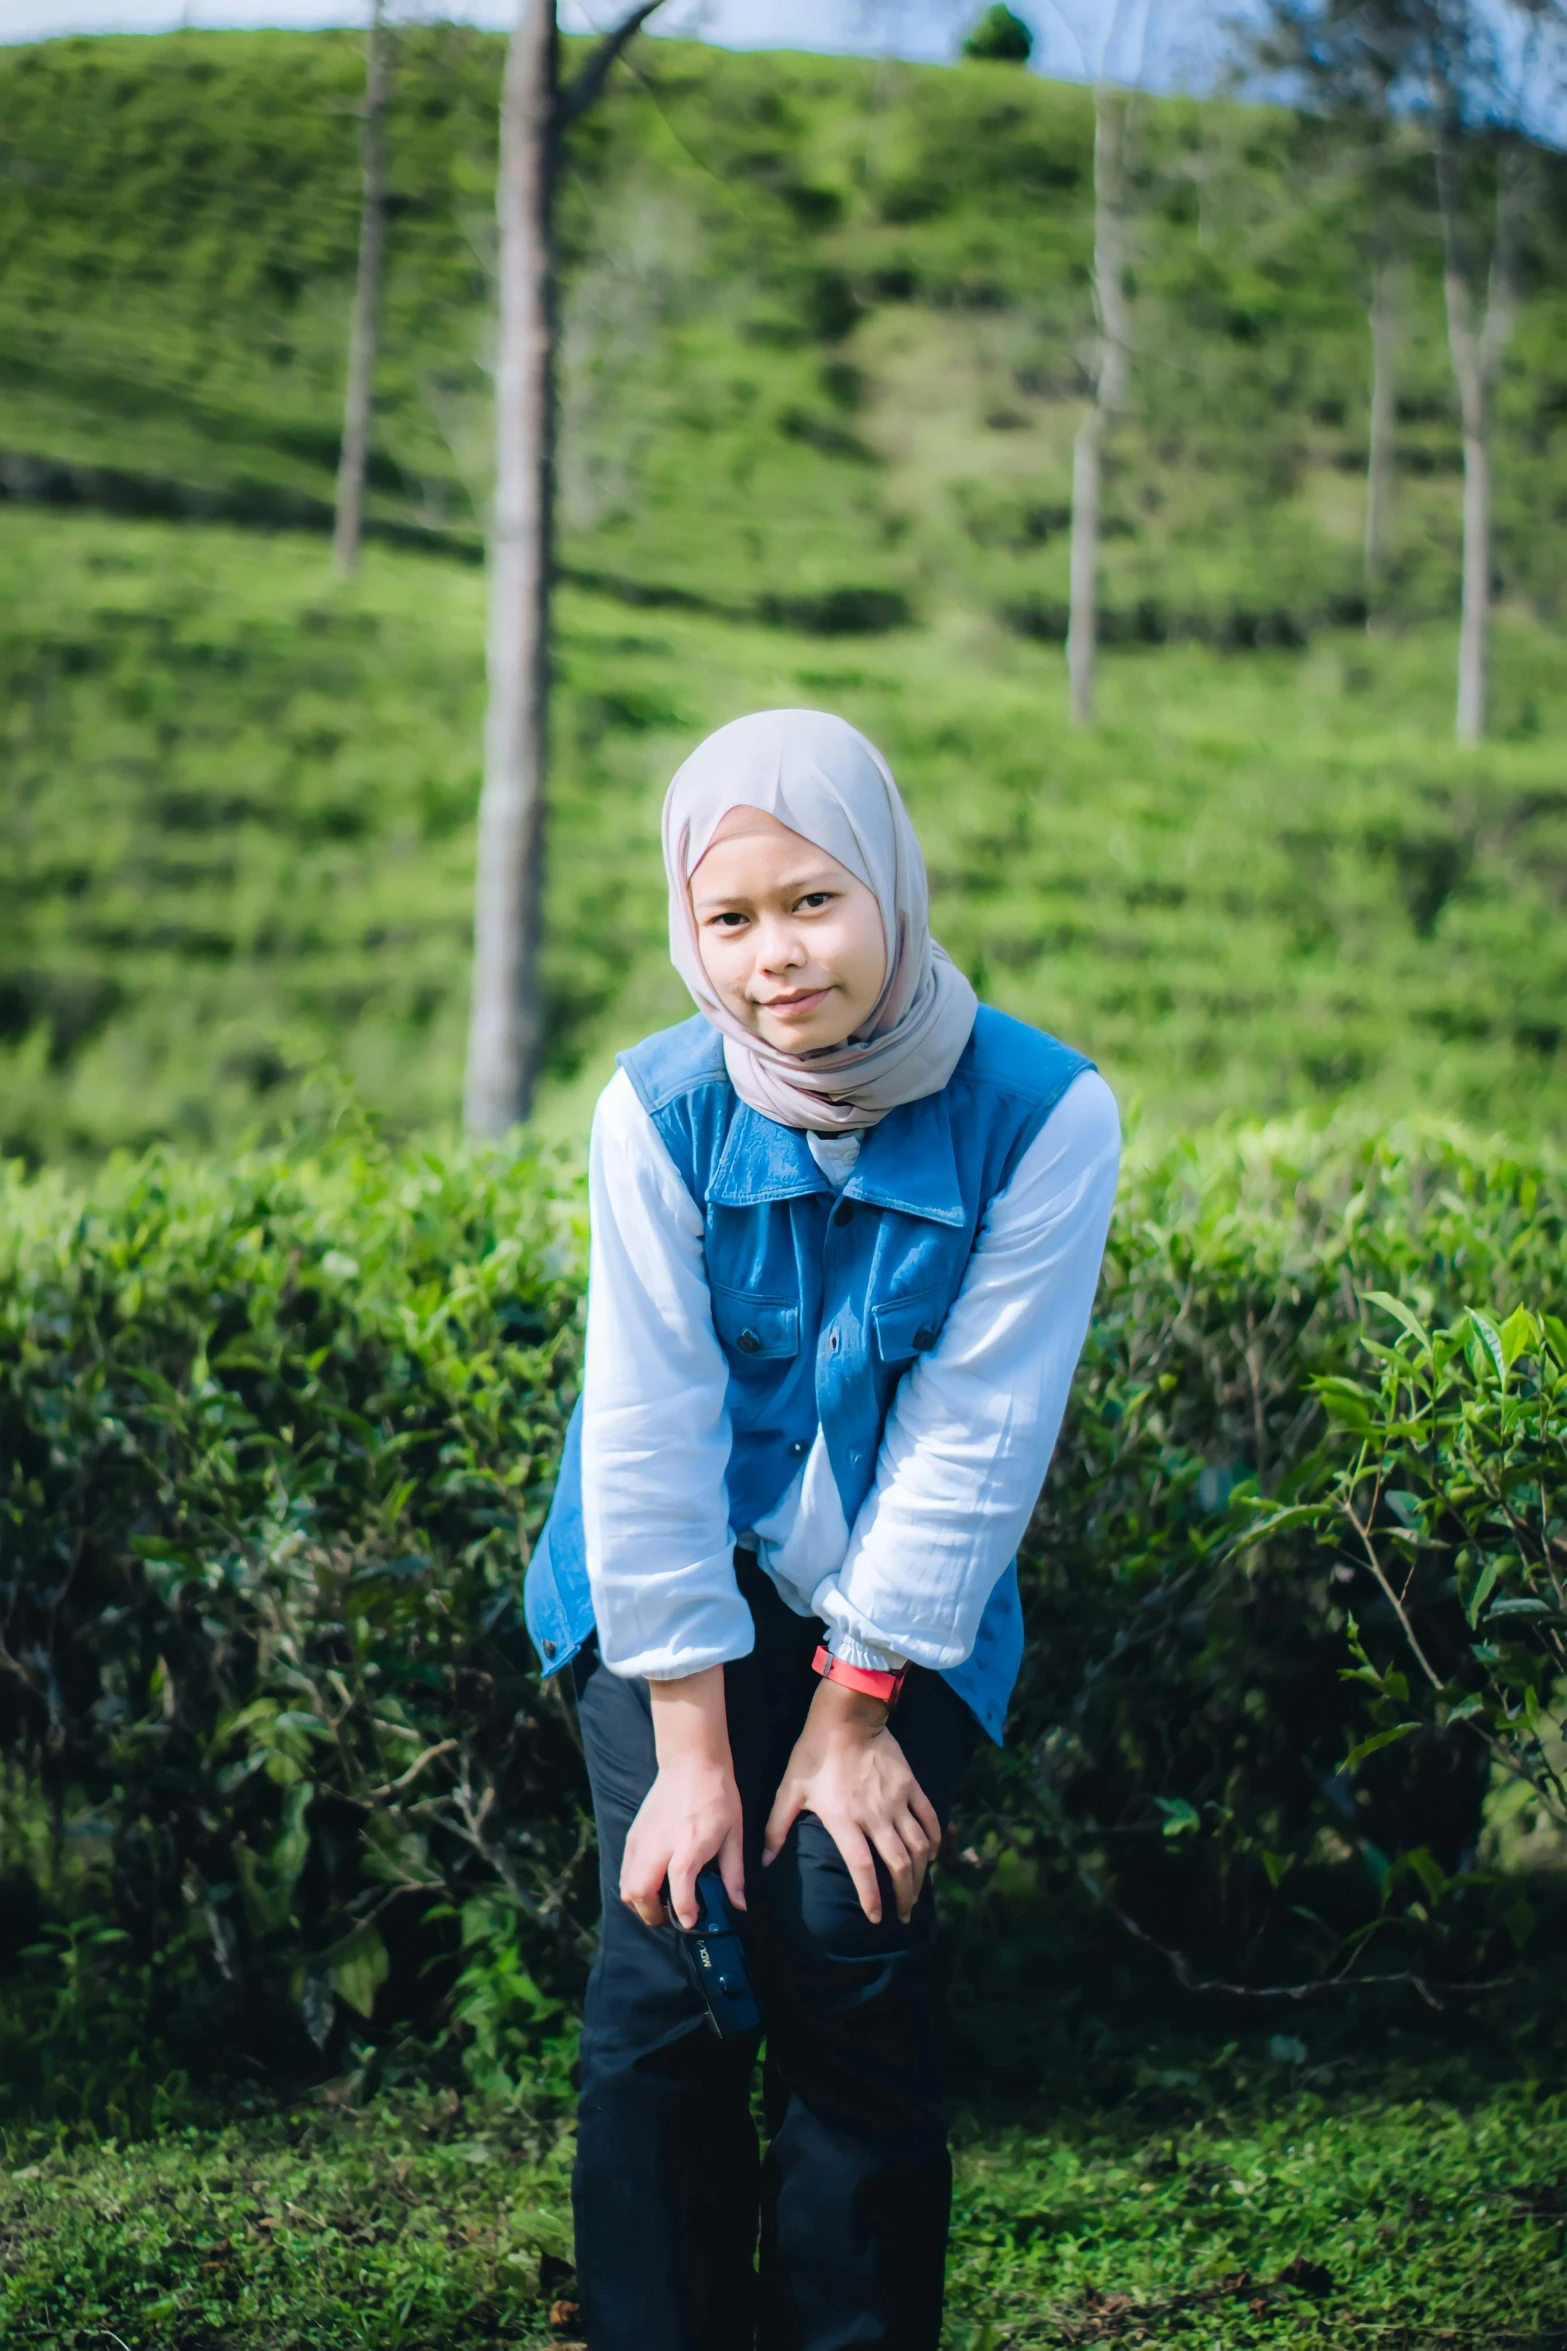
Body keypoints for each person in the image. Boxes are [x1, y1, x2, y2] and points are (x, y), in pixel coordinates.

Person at [525, 709, 1119, 2351]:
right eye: (729, 918)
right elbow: (646, 1426)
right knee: (676, 1948)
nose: (772, 958)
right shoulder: (655, 1112)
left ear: (891, 885)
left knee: (848, 1938)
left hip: (902, 1603)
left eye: (812, 901)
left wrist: (855, 1707)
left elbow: (980, 1433)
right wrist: (697, 1746)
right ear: (683, 928)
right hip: (668, 1594)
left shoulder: (1045, 1113)